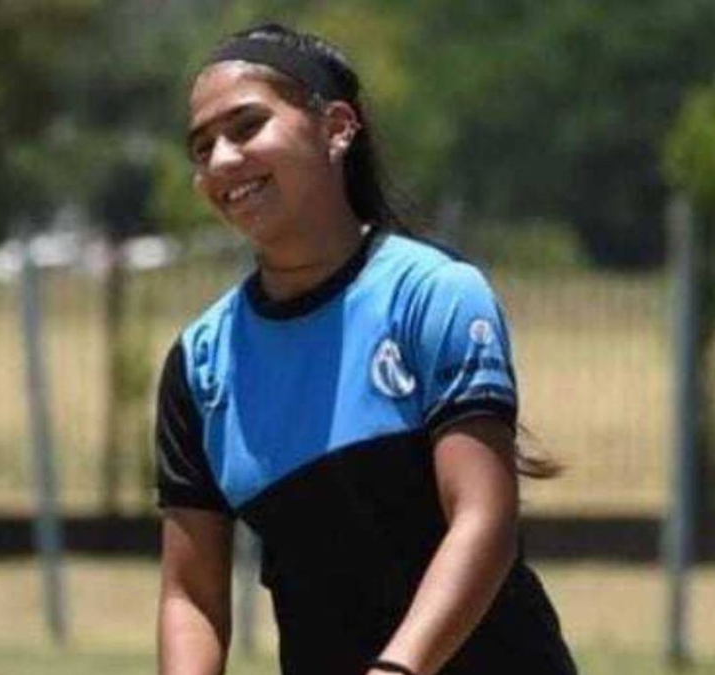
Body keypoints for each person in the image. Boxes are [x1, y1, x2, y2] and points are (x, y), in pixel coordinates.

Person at [154, 23, 577, 675]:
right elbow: (192, 594)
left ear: (338, 127)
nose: (221, 161)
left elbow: (483, 521)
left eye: (246, 127)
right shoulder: (200, 364)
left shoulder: (431, 294)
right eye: (202, 146)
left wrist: (397, 670)